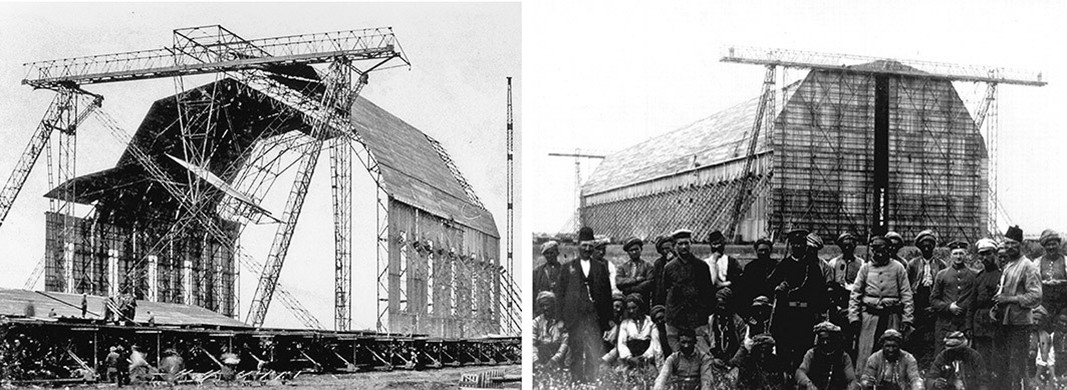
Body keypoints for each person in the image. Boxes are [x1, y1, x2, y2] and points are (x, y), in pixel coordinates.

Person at [556, 226, 613, 383]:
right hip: (575, 318)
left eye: (590, 246)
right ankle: (576, 381)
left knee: (593, 351)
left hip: (594, 317)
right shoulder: (568, 268)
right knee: (576, 350)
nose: (587, 249)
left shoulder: (600, 267)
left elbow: (607, 295)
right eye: (584, 245)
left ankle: (591, 381)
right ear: (578, 245)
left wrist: (609, 319)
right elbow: (560, 295)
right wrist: (560, 319)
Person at [849, 235, 914, 370]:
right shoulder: (865, 268)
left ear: (889, 250)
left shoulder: (898, 268)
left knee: (891, 350)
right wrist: (854, 317)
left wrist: (907, 318)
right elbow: (855, 294)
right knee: (866, 352)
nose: (879, 252)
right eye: (875, 249)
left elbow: (907, 295)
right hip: (869, 318)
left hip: (891, 317)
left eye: (883, 249)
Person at [768, 228, 828, 371]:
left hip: (805, 316)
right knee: (784, 349)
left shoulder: (812, 267)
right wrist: (778, 287)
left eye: (801, 244)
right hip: (786, 315)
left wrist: (818, 312)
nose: (798, 247)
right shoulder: (784, 265)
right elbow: (769, 285)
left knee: (803, 350)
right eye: (795, 244)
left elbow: (820, 292)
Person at [993, 225, 1042, 390]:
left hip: (1020, 324)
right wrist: (998, 304)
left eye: (1013, 243)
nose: (1009, 247)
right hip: (1006, 322)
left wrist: (1009, 299)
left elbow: (1036, 296)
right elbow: (1003, 292)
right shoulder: (1009, 265)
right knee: (1005, 365)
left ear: (1021, 244)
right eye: (1006, 243)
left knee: (1017, 366)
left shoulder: (1028, 266)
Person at [654, 229, 715, 356]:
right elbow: (664, 290)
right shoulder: (669, 267)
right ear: (675, 246)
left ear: (691, 244)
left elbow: (708, 292)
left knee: (701, 347)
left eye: (686, 243)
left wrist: (704, 312)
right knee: (676, 347)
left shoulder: (701, 266)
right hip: (676, 315)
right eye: (680, 244)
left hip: (696, 315)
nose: (683, 247)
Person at [906, 229, 946, 367]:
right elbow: (907, 285)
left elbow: (943, 286)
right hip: (917, 299)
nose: (927, 246)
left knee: (932, 334)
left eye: (930, 244)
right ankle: (917, 363)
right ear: (920, 247)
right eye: (924, 244)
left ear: (934, 246)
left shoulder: (941, 264)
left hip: (934, 298)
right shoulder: (912, 264)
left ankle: (930, 363)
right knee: (917, 333)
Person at [929, 240, 976, 358]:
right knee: (942, 357)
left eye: (961, 253)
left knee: (966, 357)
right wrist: (949, 307)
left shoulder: (974, 275)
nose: (958, 256)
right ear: (951, 255)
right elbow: (933, 300)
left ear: (966, 255)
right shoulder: (942, 274)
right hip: (946, 324)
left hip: (965, 324)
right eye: (955, 253)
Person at [970, 238, 1003, 387]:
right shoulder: (978, 277)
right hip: (979, 326)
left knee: (997, 364)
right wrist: (968, 327)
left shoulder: (1002, 275)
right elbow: (972, 304)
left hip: (996, 325)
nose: (984, 258)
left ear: (995, 254)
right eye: (981, 254)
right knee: (981, 363)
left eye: (988, 253)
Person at [828, 232, 863, 358]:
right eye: (845, 245)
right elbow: (831, 284)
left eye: (850, 245)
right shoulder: (833, 263)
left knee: (853, 335)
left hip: (854, 301)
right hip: (839, 301)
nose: (847, 248)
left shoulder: (861, 263)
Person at [796, 321, 857, 390]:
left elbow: (852, 380)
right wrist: (808, 384)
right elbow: (800, 372)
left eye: (828, 339)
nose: (825, 343)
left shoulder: (844, 357)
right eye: (822, 339)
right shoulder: (811, 353)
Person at [617, 293, 662, 370]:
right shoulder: (625, 323)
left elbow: (655, 343)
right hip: (631, 360)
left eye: (634, 308)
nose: (631, 311)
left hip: (646, 359)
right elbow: (621, 343)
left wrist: (645, 356)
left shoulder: (650, 322)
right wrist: (629, 358)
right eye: (629, 308)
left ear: (640, 307)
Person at [651, 235, 677, 356]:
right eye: (663, 249)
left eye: (669, 247)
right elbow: (658, 284)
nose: (667, 251)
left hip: (676, 302)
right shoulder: (658, 264)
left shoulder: (679, 261)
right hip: (662, 300)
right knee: (662, 329)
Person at [707, 287, 744, 368]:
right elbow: (707, 342)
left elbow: (743, 344)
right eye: (719, 305)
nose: (722, 308)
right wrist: (713, 359)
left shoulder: (738, 321)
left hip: (733, 362)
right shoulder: (712, 320)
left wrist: (734, 361)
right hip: (716, 362)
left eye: (724, 305)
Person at [739, 237, 777, 315]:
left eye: (766, 250)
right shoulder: (750, 267)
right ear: (756, 251)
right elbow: (745, 288)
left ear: (770, 251)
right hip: (754, 302)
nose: (763, 253)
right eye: (761, 250)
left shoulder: (776, 266)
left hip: (772, 302)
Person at [532, 291, 568, 370]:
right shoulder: (536, 322)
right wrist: (536, 361)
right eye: (542, 305)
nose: (545, 308)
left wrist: (553, 360)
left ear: (553, 305)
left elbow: (564, 343)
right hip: (540, 358)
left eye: (547, 304)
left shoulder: (560, 322)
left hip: (558, 359)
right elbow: (532, 343)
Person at [1036, 230, 1066, 319]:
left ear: (1059, 244)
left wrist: (1061, 282)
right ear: (1044, 246)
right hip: (1044, 303)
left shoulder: (1065, 260)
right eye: (1048, 245)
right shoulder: (1037, 262)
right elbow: (1033, 283)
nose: (1051, 247)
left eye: (1054, 244)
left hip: (1063, 304)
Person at [533, 240, 563, 317]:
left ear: (557, 253)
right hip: (542, 311)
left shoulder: (564, 271)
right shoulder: (538, 272)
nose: (550, 256)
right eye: (547, 253)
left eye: (552, 253)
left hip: (559, 311)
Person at [602, 291, 627, 365]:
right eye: (616, 306)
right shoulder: (604, 320)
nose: (618, 310)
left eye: (620, 307)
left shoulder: (623, 322)